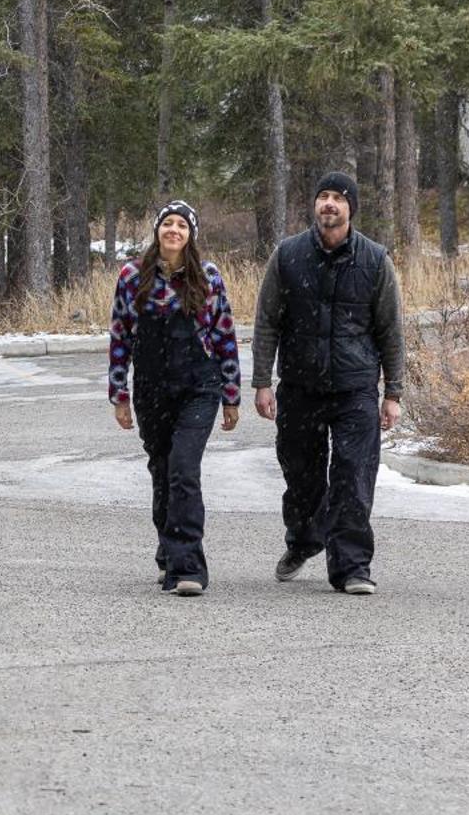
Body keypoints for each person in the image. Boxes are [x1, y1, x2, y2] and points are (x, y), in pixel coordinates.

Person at [252, 172, 405, 596]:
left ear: (351, 207)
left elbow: (391, 330)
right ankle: (303, 539)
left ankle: (352, 567)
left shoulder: (375, 260)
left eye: (338, 198)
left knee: (354, 478)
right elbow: (267, 322)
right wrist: (262, 381)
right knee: (302, 478)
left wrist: (393, 393)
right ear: (315, 206)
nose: (330, 204)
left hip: (355, 387)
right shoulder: (288, 255)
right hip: (299, 386)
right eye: (323, 197)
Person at [107, 200, 242, 597]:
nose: (174, 231)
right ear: (157, 231)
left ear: (191, 235)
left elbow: (225, 338)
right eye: (168, 223)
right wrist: (120, 395)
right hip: (152, 388)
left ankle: (188, 567)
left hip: (199, 386)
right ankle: (169, 548)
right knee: (163, 472)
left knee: (184, 468)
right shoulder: (132, 277)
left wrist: (231, 396)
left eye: (182, 225)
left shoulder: (209, 278)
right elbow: (120, 337)